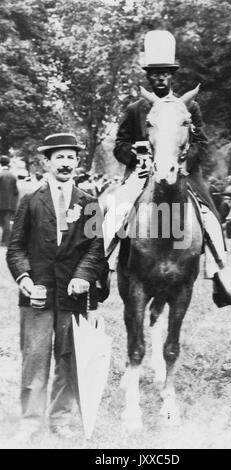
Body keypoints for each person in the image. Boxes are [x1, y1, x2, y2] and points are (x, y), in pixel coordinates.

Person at [106, 30, 231, 306]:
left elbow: (201, 144)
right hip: (143, 174)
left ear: (171, 76)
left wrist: (180, 160)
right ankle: (104, 266)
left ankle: (221, 273)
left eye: (165, 74)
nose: (160, 78)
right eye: (155, 74)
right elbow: (119, 146)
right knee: (113, 210)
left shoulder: (190, 107)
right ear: (148, 77)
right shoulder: (134, 109)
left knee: (210, 216)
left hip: (182, 173)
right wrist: (136, 153)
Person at [6, 133, 109, 443]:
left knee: (68, 357)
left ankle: (60, 417)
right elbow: (15, 248)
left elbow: (96, 247)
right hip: (38, 292)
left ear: (77, 163)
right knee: (35, 356)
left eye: (70, 158)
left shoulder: (89, 203)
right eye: (59, 157)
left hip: (73, 292)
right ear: (47, 163)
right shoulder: (30, 201)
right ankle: (30, 419)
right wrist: (25, 280)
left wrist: (83, 276)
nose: (65, 163)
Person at [0, 155, 19, 246]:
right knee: (6, 222)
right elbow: (16, 192)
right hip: (9, 205)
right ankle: (5, 241)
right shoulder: (13, 176)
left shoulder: (0, 174)